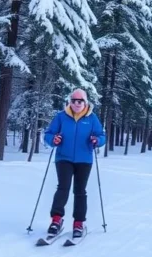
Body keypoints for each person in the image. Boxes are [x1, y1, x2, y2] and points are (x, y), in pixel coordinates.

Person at [43, 88, 106, 238]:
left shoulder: (92, 118)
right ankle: (56, 220)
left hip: (84, 159)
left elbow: (101, 136)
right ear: (70, 102)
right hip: (63, 158)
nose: (77, 104)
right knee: (63, 188)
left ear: (85, 102)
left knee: (80, 191)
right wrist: (54, 140)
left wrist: (97, 140)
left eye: (80, 101)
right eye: (74, 101)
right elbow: (48, 134)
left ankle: (78, 222)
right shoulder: (61, 117)